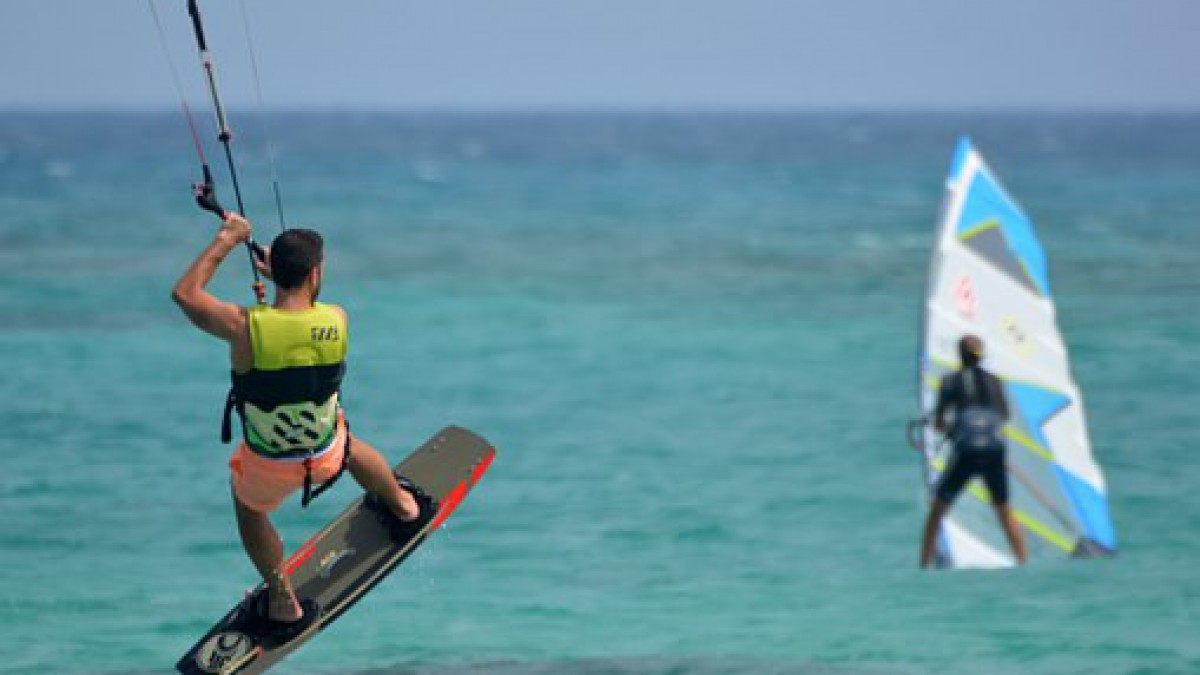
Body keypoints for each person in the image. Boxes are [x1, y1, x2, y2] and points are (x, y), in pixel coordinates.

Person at [172, 213, 436, 636]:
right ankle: (405, 507)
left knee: (249, 508)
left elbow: (185, 295)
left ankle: (283, 603)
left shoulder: (244, 327)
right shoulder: (337, 318)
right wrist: (278, 281)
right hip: (327, 452)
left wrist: (228, 239)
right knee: (348, 443)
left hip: (269, 465)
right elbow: (296, 324)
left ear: (278, 271)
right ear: (315, 273)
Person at [919, 334, 1027, 568]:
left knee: (937, 509)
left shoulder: (949, 381)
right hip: (995, 447)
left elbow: (939, 423)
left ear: (959, 355)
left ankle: (924, 564)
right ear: (982, 356)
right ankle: (1023, 562)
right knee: (1004, 510)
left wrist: (952, 427)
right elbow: (1003, 416)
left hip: (967, 448)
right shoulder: (995, 381)